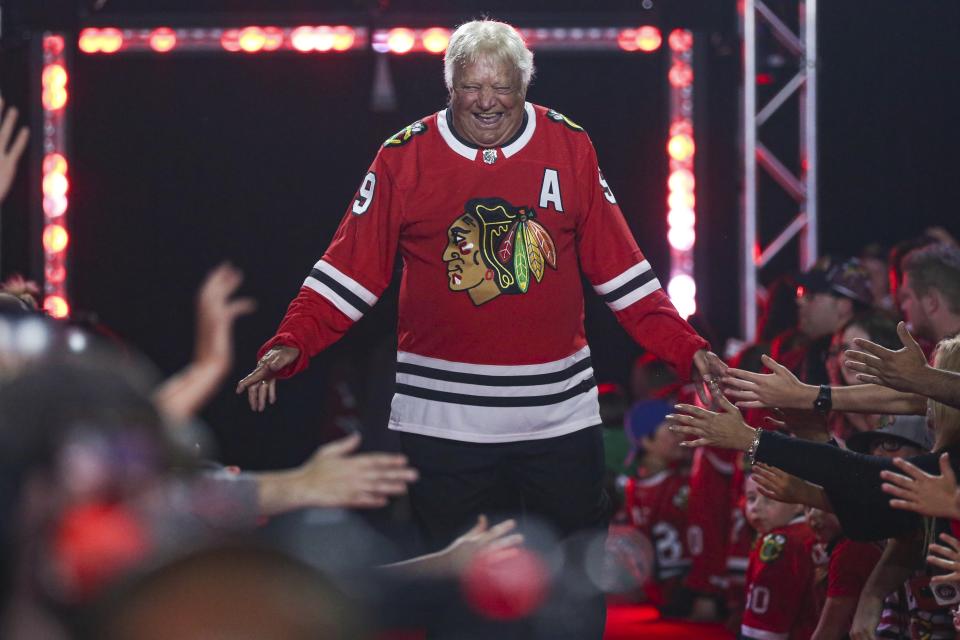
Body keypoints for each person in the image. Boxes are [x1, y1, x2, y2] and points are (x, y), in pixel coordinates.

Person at [236, 18, 723, 638]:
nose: (487, 101)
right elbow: (349, 270)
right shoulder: (403, 156)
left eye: (502, 87)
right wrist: (291, 342)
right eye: (471, 87)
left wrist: (686, 348)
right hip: (444, 418)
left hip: (557, 413)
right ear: (449, 87)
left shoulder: (569, 146)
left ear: (525, 85)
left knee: (574, 577)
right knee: (458, 587)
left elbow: (621, 269)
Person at [740, 473, 820, 640]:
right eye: (751, 498)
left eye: (769, 499)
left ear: (798, 502)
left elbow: (765, 624)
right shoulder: (809, 534)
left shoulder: (780, 542)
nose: (756, 507)